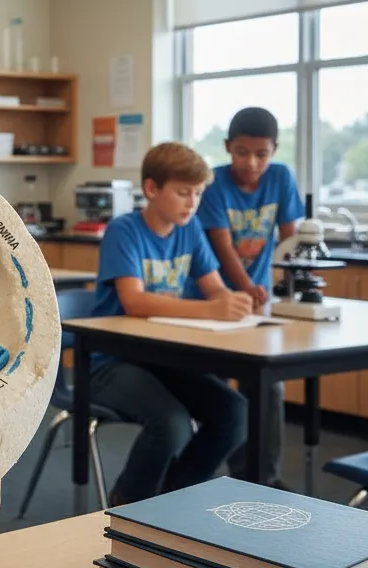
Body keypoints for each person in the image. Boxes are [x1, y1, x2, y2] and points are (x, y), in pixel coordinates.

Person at [89, 142, 250, 506]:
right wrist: (213, 310)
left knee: (235, 412)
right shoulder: (124, 229)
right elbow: (134, 302)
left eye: (197, 194)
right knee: (172, 423)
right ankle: (128, 501)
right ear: (151, 189)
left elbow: (216, 290)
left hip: (163, 360)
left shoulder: (190, 230)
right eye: (182, 193)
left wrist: (232, 302)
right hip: (110, 362)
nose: (191, 203)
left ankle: (171, 499)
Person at [196, 107, 304, 488]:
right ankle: (231, 476)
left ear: (274, 150)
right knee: (224, 389)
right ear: (228, 148)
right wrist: (246, 286)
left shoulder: (281, 178)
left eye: (262, 154)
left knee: (270, 386)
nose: (252, 162)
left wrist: (286, 280)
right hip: (215, 302)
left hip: (257, 306)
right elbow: (222, 247)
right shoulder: (214, 185)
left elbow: (291, 240)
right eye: (242, 152)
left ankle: (264, 477)